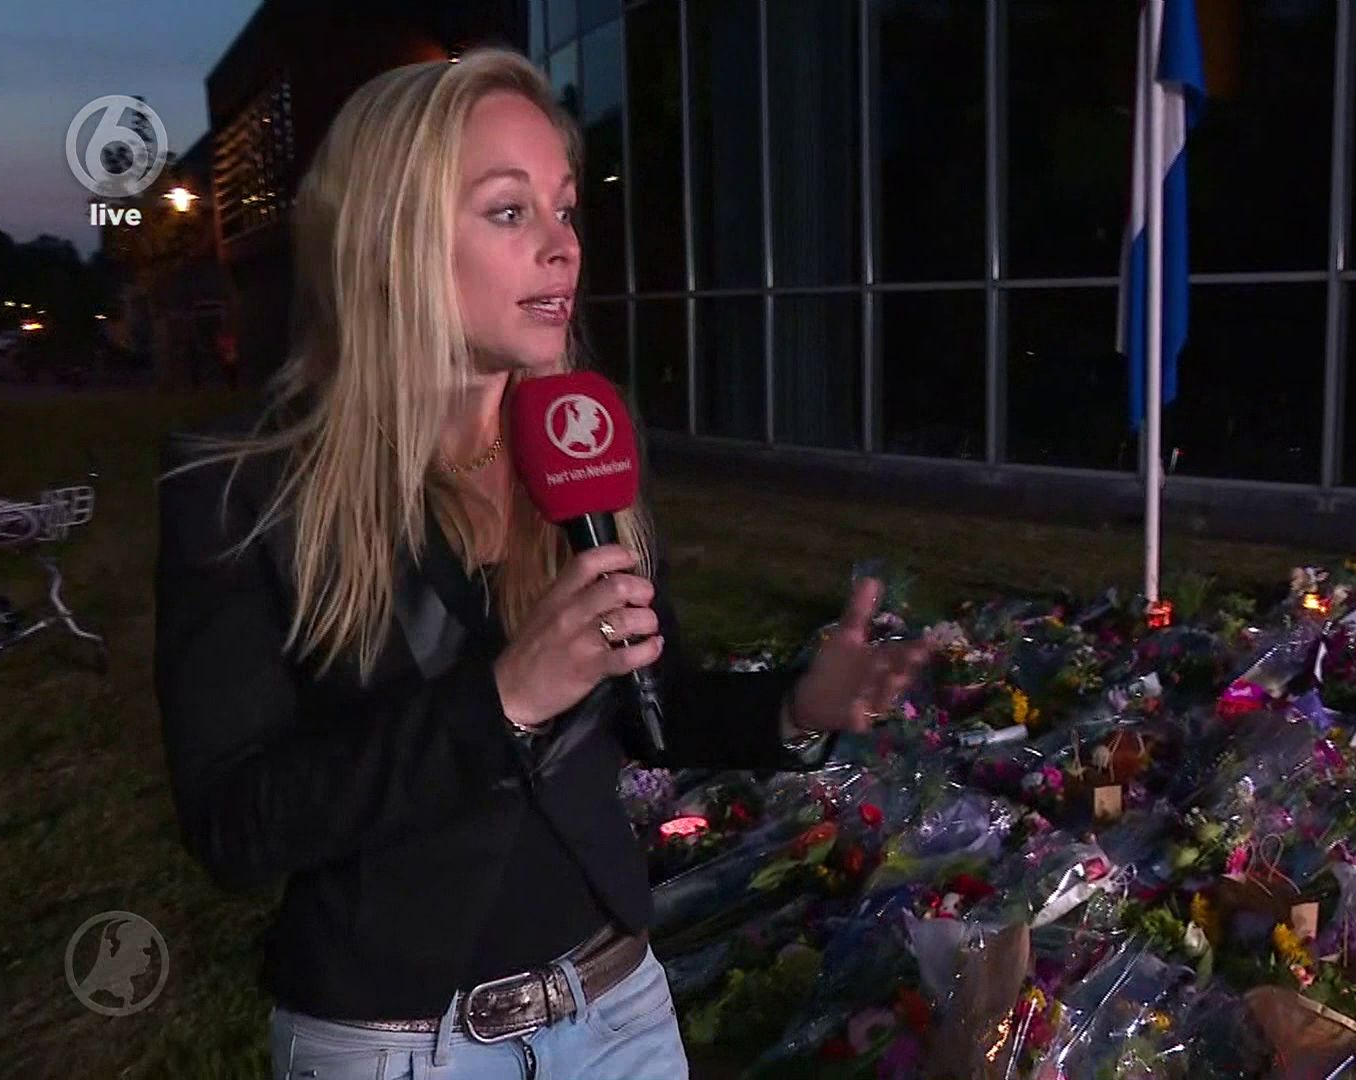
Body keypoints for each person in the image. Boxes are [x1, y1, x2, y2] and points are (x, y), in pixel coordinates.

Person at [152, 47, 930, 1080]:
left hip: (618, 1008)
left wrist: (797, 706)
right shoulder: (241, 491)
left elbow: (651, 705)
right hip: (400, 1045)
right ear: (391, 238)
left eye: (565, 209)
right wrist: (504, 699)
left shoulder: (584, 442)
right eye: (510, 211)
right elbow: (236, 829)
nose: (563, 247)